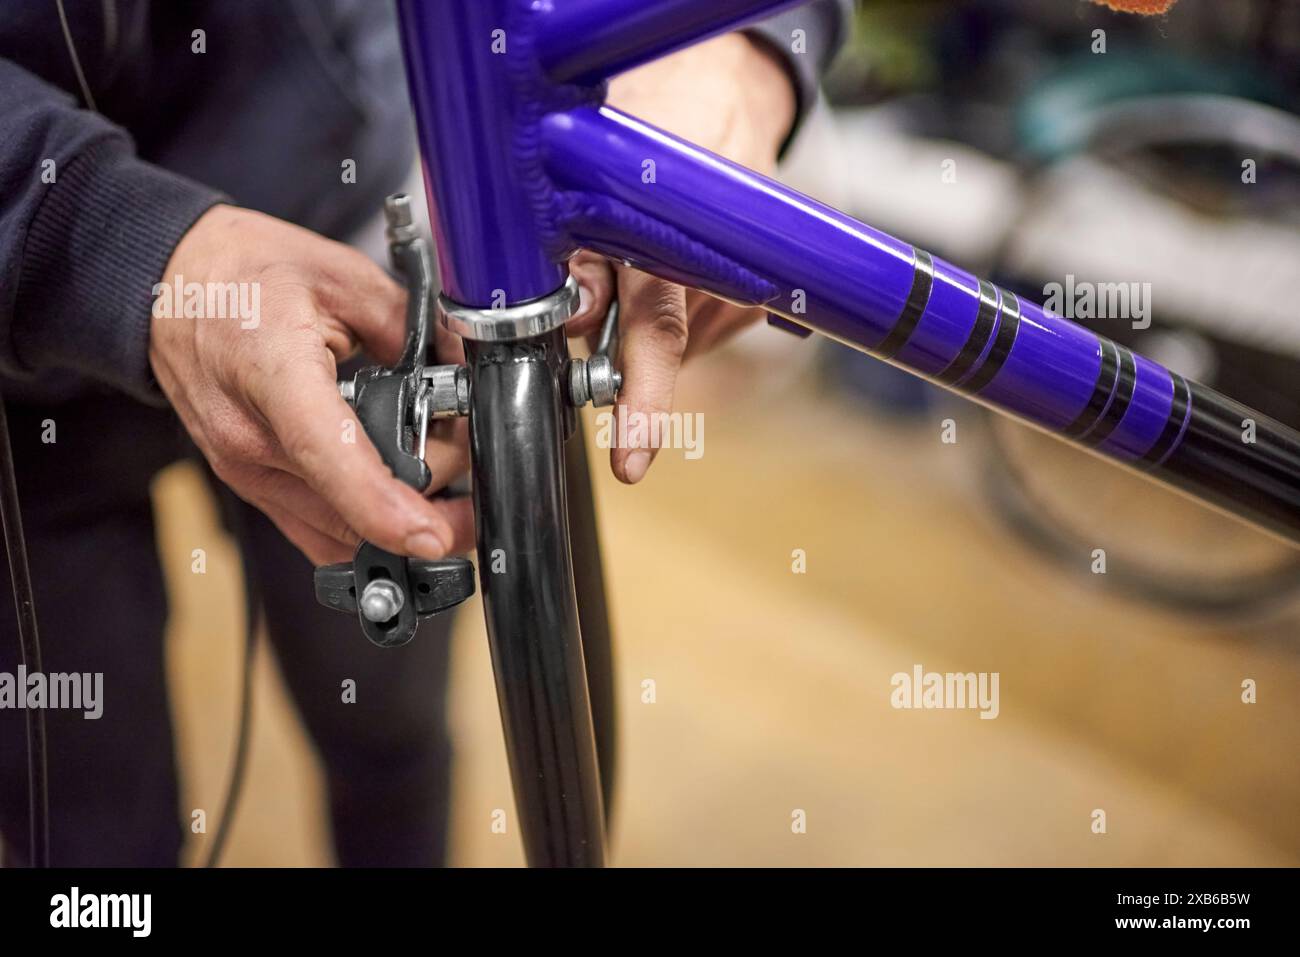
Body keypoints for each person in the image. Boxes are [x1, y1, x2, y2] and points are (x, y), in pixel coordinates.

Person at [0, 1, 851, 866]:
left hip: (344, 266)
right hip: (21, 382)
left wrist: (741, 43)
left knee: (387, 739)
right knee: (87, 838)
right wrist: (116, 243)